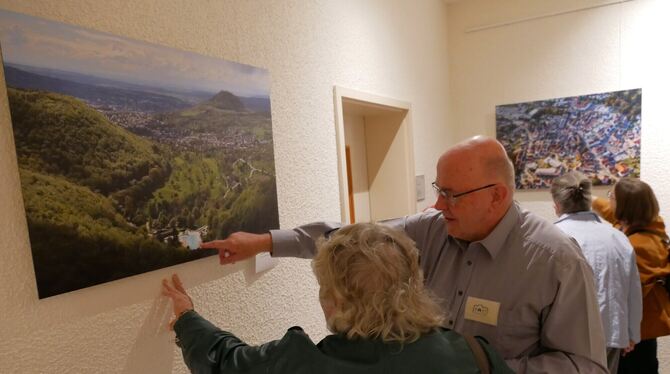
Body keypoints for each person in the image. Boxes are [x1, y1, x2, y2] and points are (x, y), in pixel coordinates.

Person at [202, 136, 608, 373]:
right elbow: (349, 241)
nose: (439, 203)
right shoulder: (430, 230)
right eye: (438, 189)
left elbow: (585, 367)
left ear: (497, 195)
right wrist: (267, 242)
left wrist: (481, 368)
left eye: (452, 194)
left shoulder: (556, 259)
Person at [163, 223, 513, 373]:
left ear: (337, 299)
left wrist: (187, 318)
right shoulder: (473, 353)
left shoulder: (301, 364)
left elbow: (226, 363)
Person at [550, 171, 642, 374]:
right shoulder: (617, 237)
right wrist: (631, 333)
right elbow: (633, 291)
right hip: (611, 334)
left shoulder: (551, 237)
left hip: (565, 340)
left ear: (557, 205)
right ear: (589, 201)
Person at [593, 177, 670, 374]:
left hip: (636, 336)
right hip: (638, 331)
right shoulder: (648, 224)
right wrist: (590, 198)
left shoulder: (638, 245)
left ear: (625, 207)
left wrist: (628, 333)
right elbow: (611, 213)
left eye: (611, 196)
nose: (608, 200)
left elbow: (632, 296)